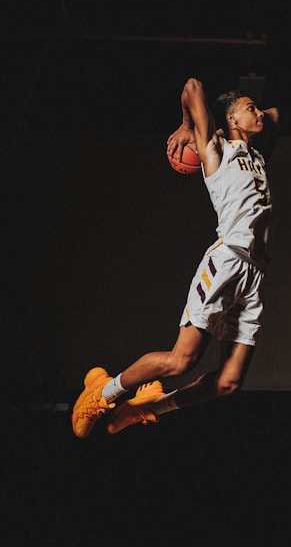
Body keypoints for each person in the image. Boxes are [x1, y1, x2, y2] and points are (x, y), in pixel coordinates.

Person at [71, 77, 279, 438]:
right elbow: (193, 86)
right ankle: (102, 392)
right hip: (226, 261)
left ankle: (147, 407)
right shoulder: (215, 149)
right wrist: (188, 126)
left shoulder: (258, 155)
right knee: (180, 361)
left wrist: (253, 112)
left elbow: (274, 114)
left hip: (255, 274)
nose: (260, 113)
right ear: (229, 120)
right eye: (250, 109)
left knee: (229, 383)